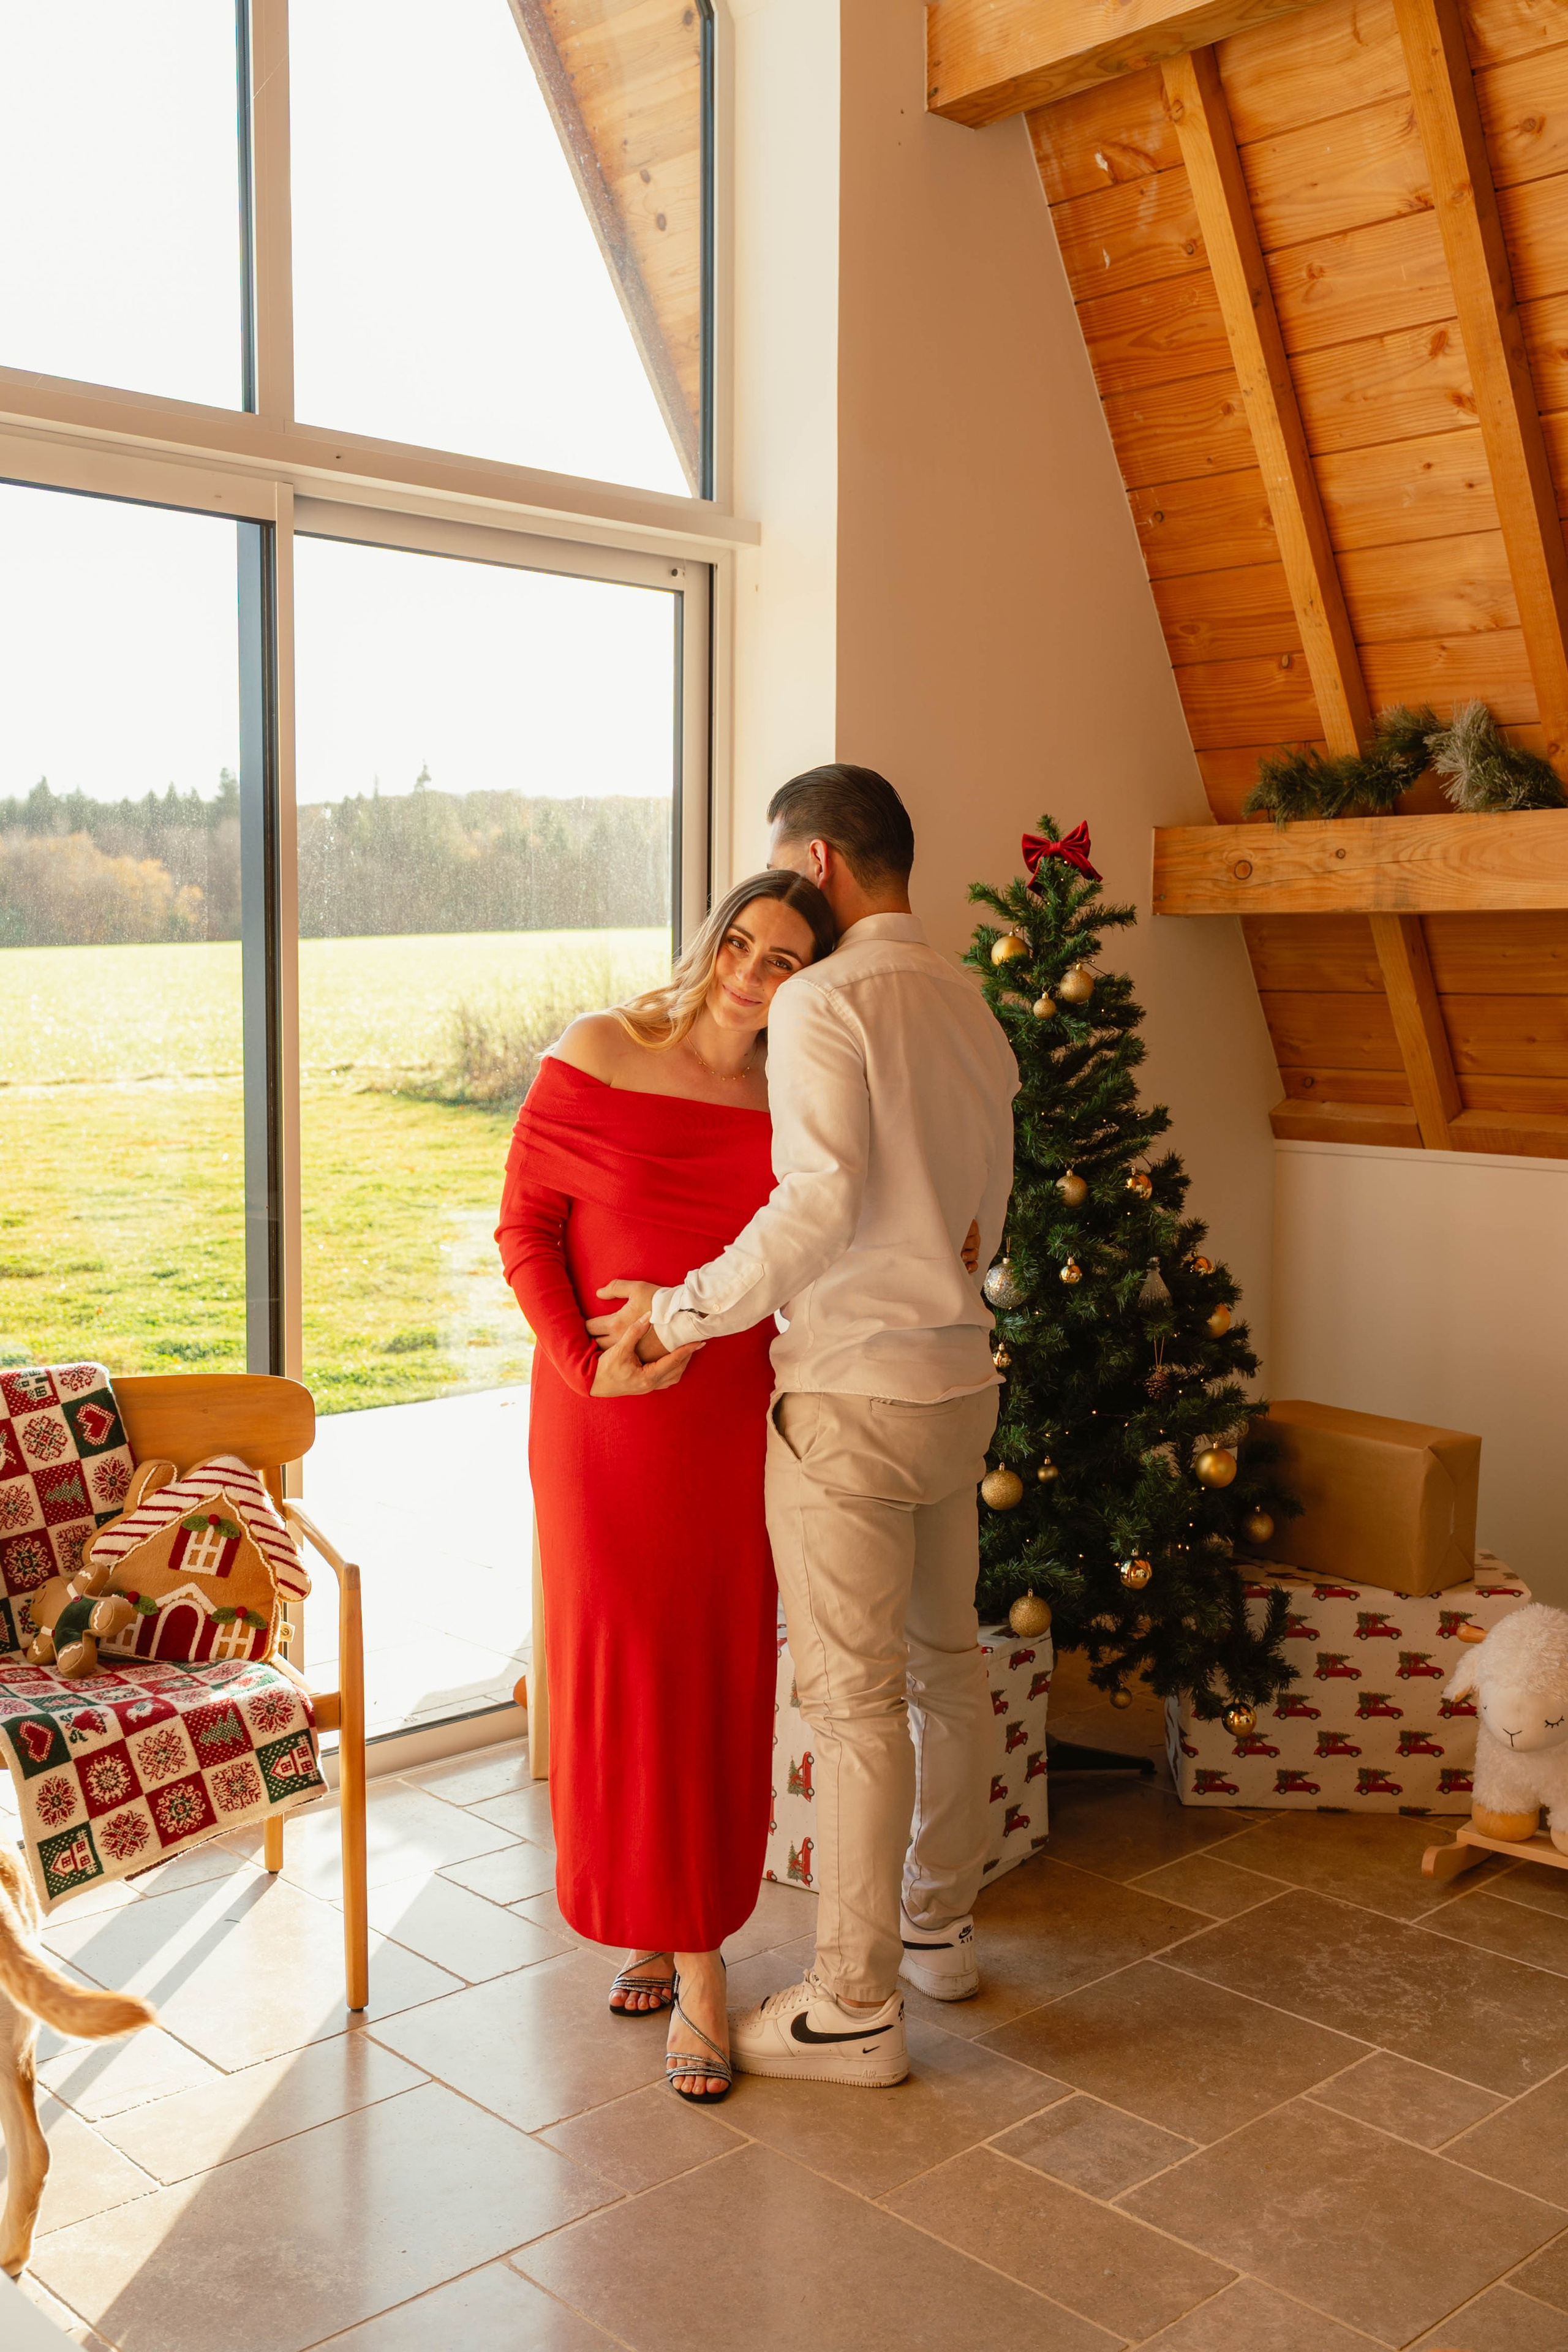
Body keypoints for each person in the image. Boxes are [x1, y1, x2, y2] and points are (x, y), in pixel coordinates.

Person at [589, 764, 1020, 2089]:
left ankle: (852, 2006)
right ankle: (938, 1927)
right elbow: (986, 1215)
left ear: (819, 862)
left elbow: (814, 1205)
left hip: (849, 1394)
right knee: (946, 1665)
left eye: (786, 863)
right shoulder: (970, 1003)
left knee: (851, 1703)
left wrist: (679, 1311)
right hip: (961, 1381)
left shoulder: (826, 1001)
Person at [496, 869, 837, 2102]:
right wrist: (585, 1363)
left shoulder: (793, 1102)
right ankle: (647, 1918)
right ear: (711, 939)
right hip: (596, 1421)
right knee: (618, 1675)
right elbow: (524, 1231)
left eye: (784, 960)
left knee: (705, 1674)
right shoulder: (600, 1049)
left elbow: (813, 1248)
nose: (750, 972)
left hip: (720, 1424)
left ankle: (699, 1959)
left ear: (810, 983)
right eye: (741, 942)